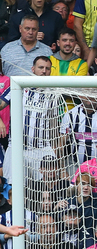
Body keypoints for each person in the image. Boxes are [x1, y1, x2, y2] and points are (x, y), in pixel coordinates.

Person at [2, 56, 58, 185]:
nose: (44, 71)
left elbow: (54, 124)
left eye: (47, 69)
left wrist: (55, 149)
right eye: (40, 67)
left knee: (46, 187)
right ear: (33, 69)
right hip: (16, 148)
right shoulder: (18, 86)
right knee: (13, 188)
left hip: (41, 149)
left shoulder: (53, 94)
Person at [59, 96, 97, 165]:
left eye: (93, 91)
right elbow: (61, 144)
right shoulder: (70, 115)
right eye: (87, 91)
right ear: (79, 95)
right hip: (75, 166)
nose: (89, 96)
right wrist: (62, 171)